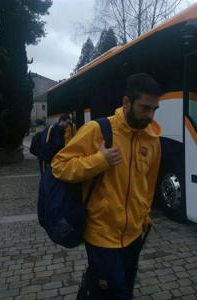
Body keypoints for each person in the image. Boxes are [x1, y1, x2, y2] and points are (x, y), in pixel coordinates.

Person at [51, 73, 162, 299]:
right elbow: (59, 166)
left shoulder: (152, 140)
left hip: (133, 236)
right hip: (102, 235)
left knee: (123, 287)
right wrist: (99, 161)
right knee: (118, 294)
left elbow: (148, 184)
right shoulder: (98, 130)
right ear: (126, 102)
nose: (150, 116)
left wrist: (144, 216)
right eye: (144, 108)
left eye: (154, 109)